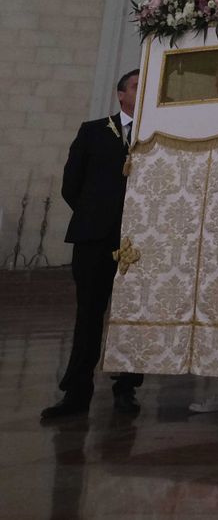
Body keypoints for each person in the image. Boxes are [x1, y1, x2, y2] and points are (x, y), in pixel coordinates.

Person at [40, 69, 145, 420]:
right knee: (88, 314)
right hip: (94, 238)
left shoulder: (157, 134)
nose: (142, 89)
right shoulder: (93, 131)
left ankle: (126, 388)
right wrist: (96, 216)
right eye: (136, 85)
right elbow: (72, 184)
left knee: (132, 315)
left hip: (138, 240)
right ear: (121, 94)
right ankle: (76, 391)